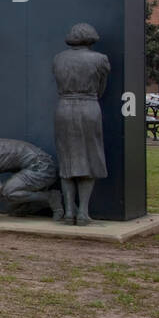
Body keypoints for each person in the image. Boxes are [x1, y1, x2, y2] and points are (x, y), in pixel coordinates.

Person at [52, 22, 110, 226]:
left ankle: (69, 211)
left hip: (64, 109)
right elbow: (101, 88)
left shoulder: (59, 58)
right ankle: (83, 211)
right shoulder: (100, 59)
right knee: (90, 159)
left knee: (66, 160)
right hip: (89, 107)